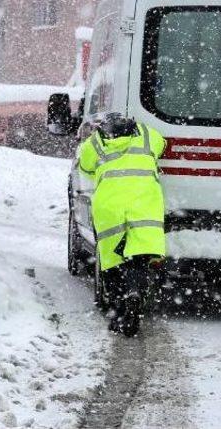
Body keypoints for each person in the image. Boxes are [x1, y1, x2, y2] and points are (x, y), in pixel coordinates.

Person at [78, 113, 167, 336]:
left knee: (112, 261)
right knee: (139, 257)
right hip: (143, 203)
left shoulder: (95, 143)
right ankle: (135, 292)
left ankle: (120, 309)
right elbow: (162, 145)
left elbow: (85, 167)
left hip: (110, 206)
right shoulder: (147, 136)